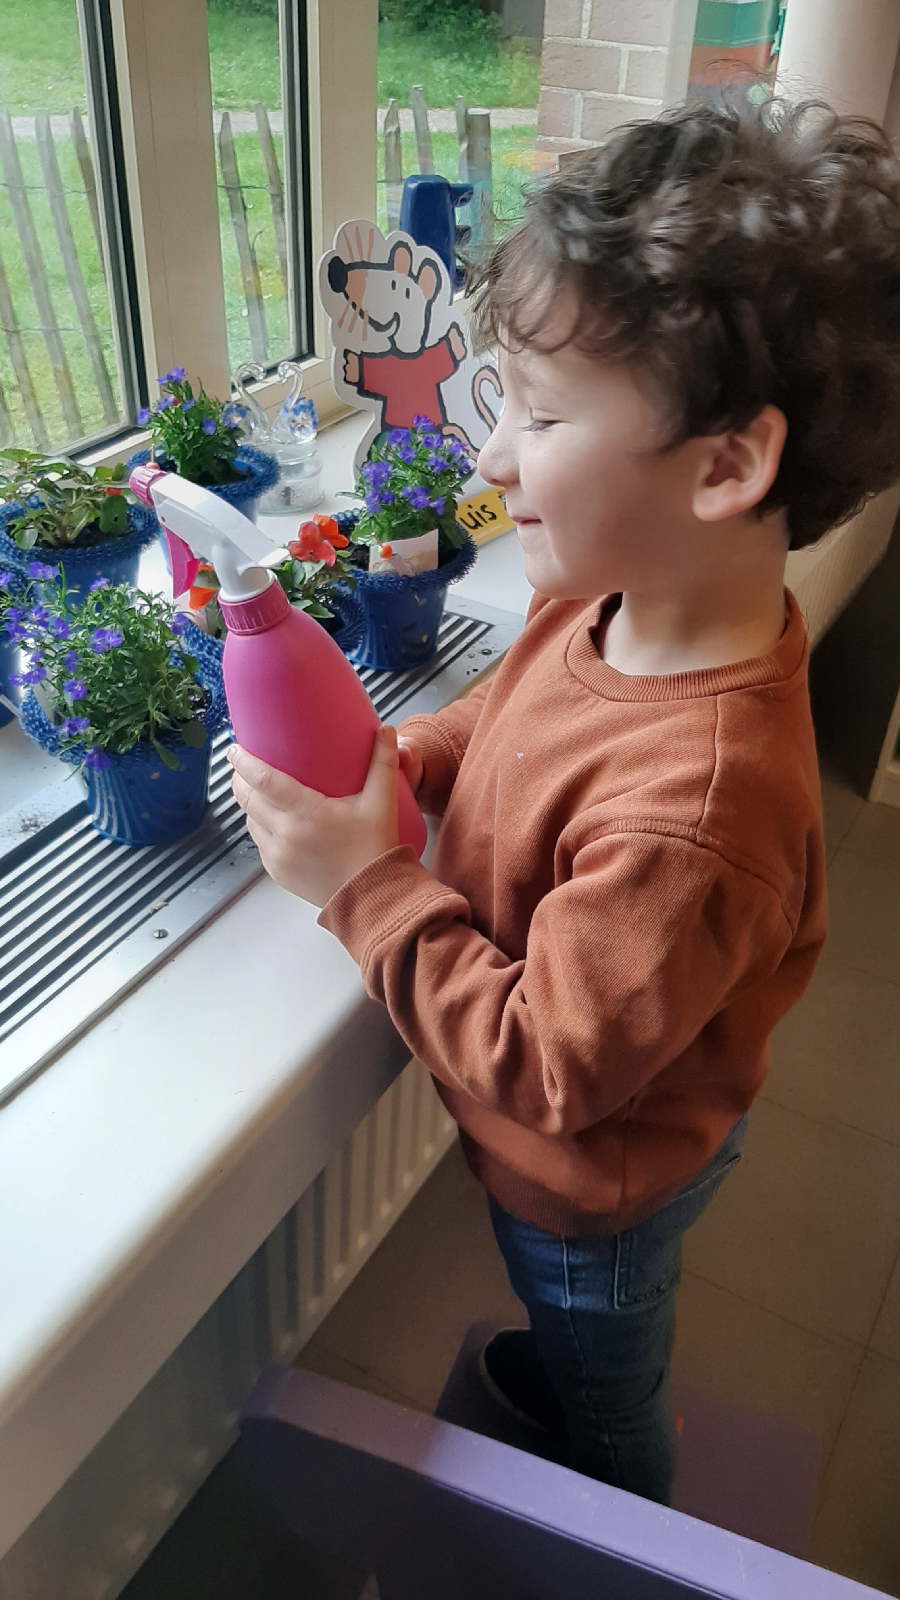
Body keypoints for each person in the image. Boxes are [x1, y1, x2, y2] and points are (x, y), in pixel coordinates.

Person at [227, 100, 900, 1505]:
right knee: (582, 1344)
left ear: (727, 467)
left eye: (538, 416)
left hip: (596, 1197)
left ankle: (620, 1520)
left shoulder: (697, 813)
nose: (491, 458)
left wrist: (362, 887)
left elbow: (546, 1067)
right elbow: (517, 711)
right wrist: (419, 757)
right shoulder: (615, 598)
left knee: (606, 1383)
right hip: (631, 1103)